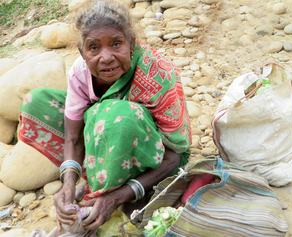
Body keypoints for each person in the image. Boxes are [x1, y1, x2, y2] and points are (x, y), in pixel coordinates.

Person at [19, 0, 191, 232]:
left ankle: (117, 192)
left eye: (116, 44)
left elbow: (174, 156)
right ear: (82, 52)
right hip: (106, 132)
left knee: (114, 115)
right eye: (94, 48)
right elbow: (73, 137)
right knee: (36, 103)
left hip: (157, 158)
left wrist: (120, 195)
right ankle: (96, 176)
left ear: (132, 44)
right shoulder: (80, 73)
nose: (106, 57)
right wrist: (69, 183)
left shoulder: (158, 72)